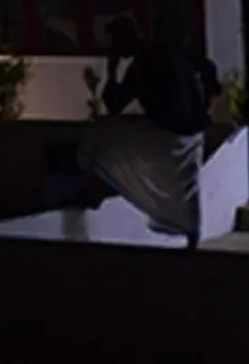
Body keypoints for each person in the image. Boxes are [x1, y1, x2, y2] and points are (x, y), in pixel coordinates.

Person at [75, 18, 222, 248]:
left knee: (103, 131)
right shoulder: (168, 51)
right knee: (188, 186)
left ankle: (97, 187)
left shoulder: (143, 64)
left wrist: (112, 70)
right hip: (193, 132)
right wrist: (204, 106)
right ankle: (192, 235)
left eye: (116, 44)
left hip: (168, 135)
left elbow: (114, 105)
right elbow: (209, 68)